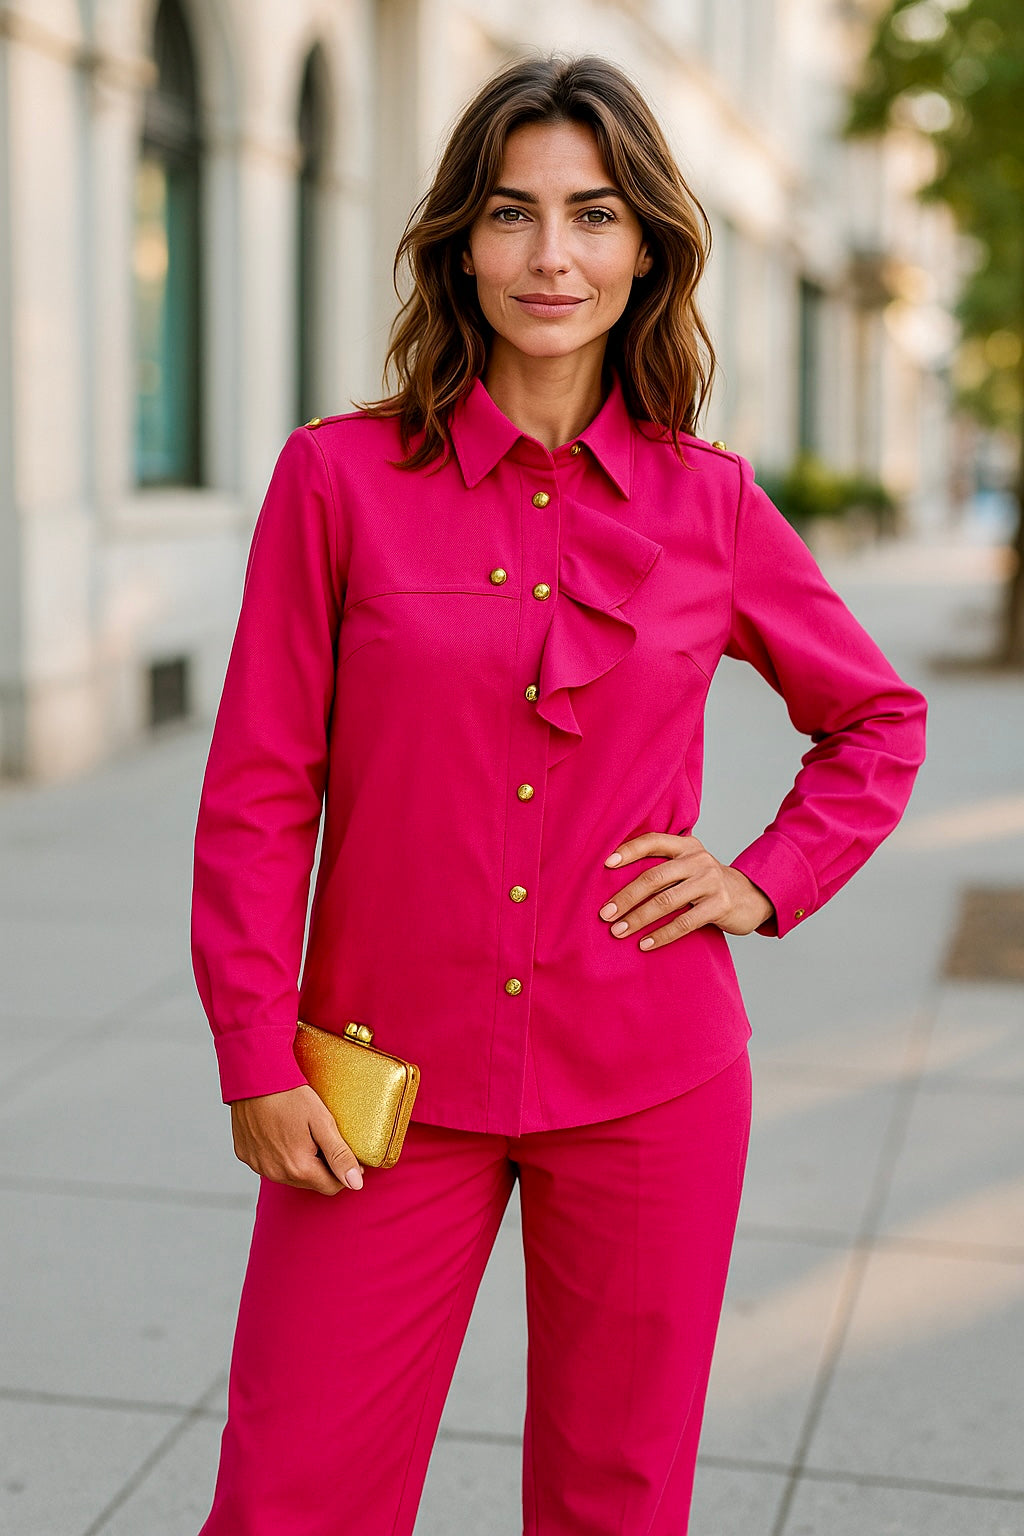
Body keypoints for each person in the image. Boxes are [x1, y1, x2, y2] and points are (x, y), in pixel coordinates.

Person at [190, 51, 927, 1536]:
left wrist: (763, 877)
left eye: (593, 215)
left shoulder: (709, 503)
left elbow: (878, 720)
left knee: (616, 1498)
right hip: (379, 1086)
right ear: (462, 240)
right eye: (515, 214)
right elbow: (261, 791)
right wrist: (255, 1057)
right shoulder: (337, 481)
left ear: (644, 245)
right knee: (293, 1496)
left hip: (649, 1075)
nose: (552, 255)